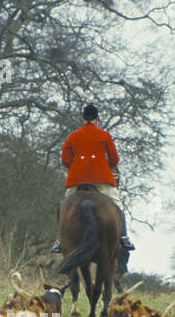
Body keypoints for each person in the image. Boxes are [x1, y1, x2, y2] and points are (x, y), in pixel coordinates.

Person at [52, 104, 135, 269]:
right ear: (97, 119)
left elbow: (65, 159)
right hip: (101, 178)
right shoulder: (104, 135)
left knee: (65, 206)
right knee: (117, 205)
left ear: (83, 119)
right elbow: (114, 159)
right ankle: (124, 237)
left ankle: (60, 240)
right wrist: (103, 165)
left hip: (77, 180)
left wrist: (76, 167)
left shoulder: (73, 136)